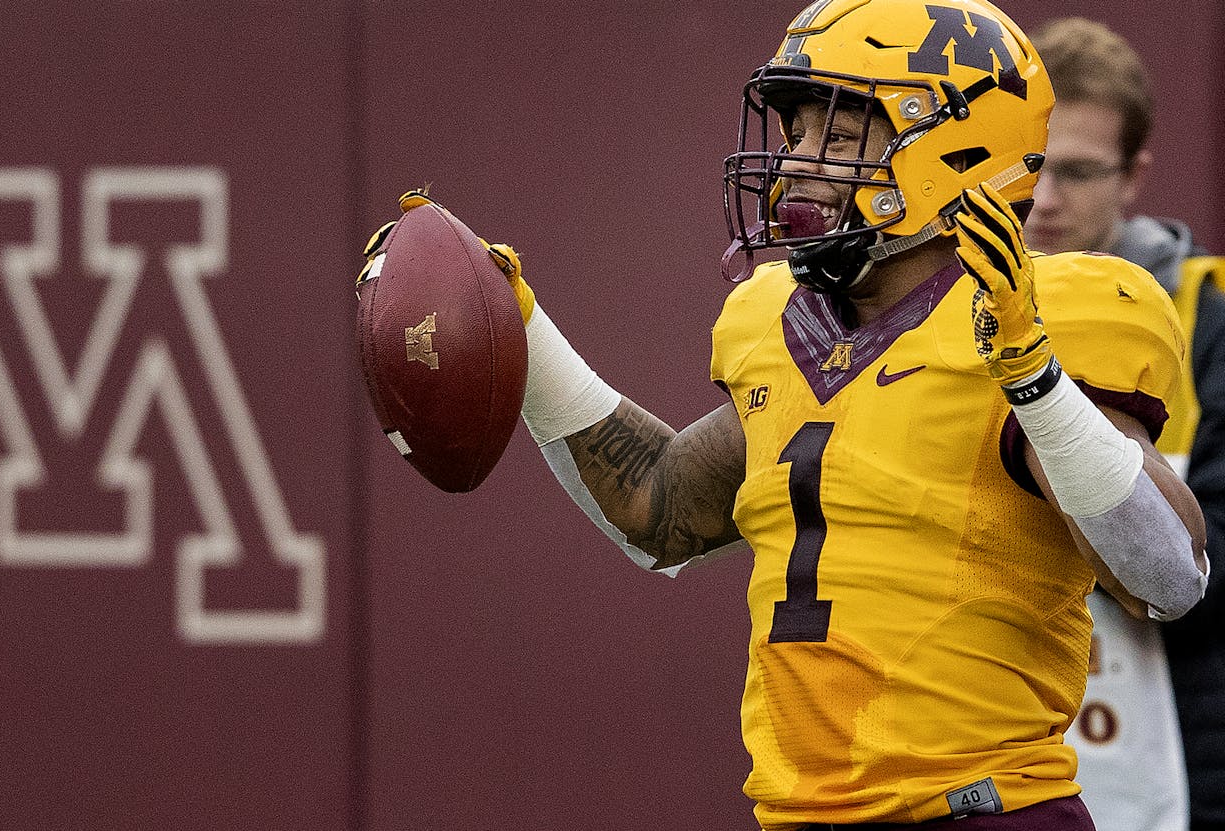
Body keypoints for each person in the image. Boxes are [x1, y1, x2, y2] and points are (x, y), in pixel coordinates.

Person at [360, 0, 1210, 827]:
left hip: (979, 807)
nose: (800, 160)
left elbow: (1170, 579)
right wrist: (523, 329)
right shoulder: (785, 325)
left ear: (953, 147)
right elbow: (658, 508)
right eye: (798, 131)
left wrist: (1035, 375)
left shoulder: (1048, 312)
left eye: (838, 134)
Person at [1024, 17, 1225, 831]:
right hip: (987, 770)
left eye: (1076, 172)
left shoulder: (1205, 315)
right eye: (1030, 165)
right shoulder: (935, 314)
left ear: (1135, 175)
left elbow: (1212, 570)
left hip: (1169, 775)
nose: (1042, 199)